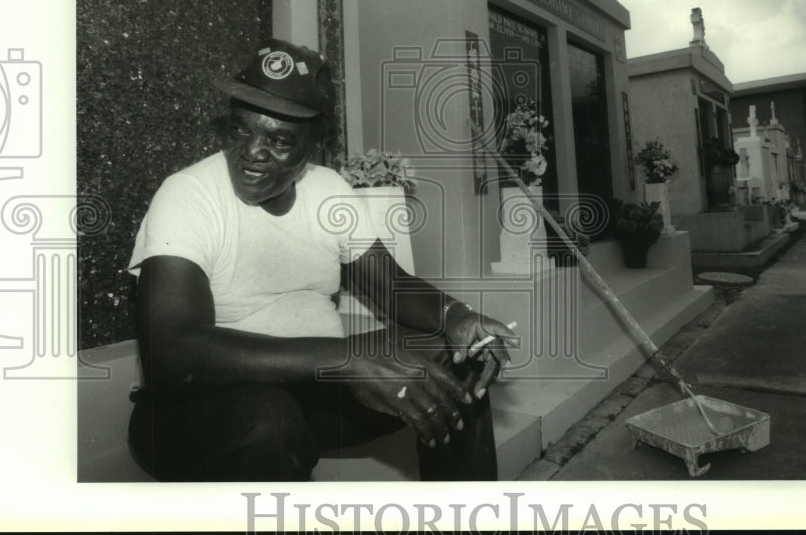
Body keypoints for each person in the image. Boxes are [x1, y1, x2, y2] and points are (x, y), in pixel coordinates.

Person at [127, 38, 517, 481]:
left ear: (314, 148)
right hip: (194, 413)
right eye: (239, 129)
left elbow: (392, 286)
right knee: (268, 420)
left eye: (278, 140)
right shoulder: (188, 194)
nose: (252, 151)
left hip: (313, 393)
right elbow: (174, 353)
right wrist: (345, 359)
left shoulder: (328, 188)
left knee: (459, 359)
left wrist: (458, 315)